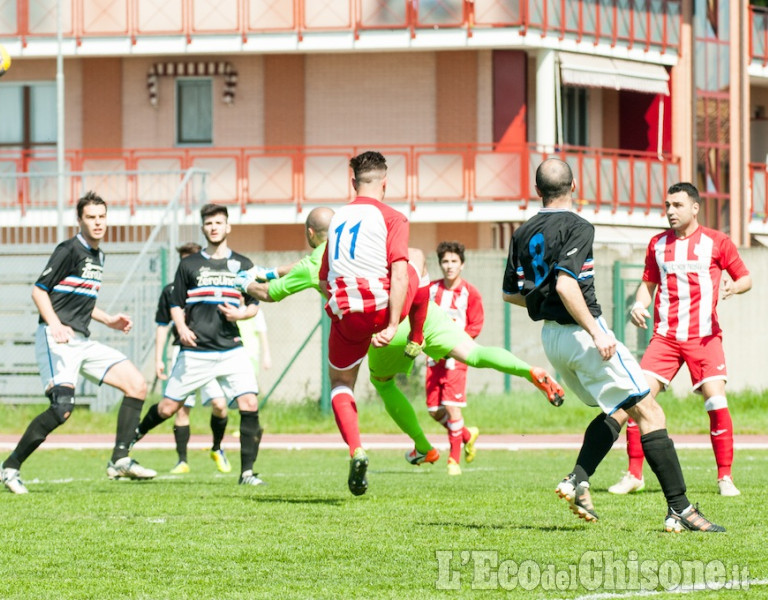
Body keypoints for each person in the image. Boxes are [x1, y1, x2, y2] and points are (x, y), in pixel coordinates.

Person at [236, 207, 565, 480]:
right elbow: (413, 257)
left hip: (386, 329)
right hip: (423, 311)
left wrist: (244, 282)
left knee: (382, 382)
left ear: (310, 234)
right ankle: (529, 370)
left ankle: (423, 446)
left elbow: (272, 293)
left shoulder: (316, 262)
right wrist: (270, 270)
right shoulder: (367, 242)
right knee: (474, 353)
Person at [502, 158, 725, 533]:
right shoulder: (578, 226)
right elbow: (566, 285)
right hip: (582, 333)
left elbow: (512, 294)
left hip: (552, 339)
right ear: (574, 187)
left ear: (537, 190)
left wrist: (549, 307)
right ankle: (680, 510)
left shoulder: (522, 232)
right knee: (651, 413)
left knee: (620, 409)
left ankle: (577, 479)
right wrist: (596, 332)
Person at [1, 191, 156, 494]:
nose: (97, 223)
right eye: (91, 217)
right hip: (55, 338)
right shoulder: (68, 249)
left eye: (102, 217)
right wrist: (56, 324)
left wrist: (109, 319)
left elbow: (79, 301)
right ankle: (10, 467)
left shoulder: (99, 255)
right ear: (80, 220)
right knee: (62, 409)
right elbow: (39, 291)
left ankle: (120, 459)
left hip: (81, 340)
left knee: (137, 385)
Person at [608, 182, 752, 497]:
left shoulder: (717, 241)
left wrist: (732, 288)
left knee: (715, 400)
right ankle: (634, 475)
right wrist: (638, 305)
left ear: (695, 208)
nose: (671, 211)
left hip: (704, 337)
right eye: (668, 205)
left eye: (678, 205)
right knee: (638, 399)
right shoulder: (657, 244)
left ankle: (724, 478)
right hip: (666, 337)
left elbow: (746, 277)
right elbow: (648, 284)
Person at [317, 151, 429, 496]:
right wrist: (394, 324)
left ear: (353, 183)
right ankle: (419, 335)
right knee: (417, 262)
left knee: (340, 383)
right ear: (385, 182)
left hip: (345, 312)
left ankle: (356, 449)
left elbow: (323, 278)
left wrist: (342, 306)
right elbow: (398, 270)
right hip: (382, 309)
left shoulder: (335, 220)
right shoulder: (393, 217)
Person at [133, 203, 265, 487]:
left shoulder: (242, 264)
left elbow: (254, 305)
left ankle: (247, 474)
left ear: (228, 227)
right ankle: (126, 446)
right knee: (168, 408)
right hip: (195, 352)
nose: (214, 227)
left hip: (231, 349)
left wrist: (240, 313)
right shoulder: (189, 265)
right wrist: (181, 328)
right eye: (209, 223)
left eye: (219, 222)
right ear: (204, 228)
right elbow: (175, 304)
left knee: (249, 402)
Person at [154, 242, 231, 475]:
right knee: (181, 408)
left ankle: (217, 448)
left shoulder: (214, 285)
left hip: (211, 351)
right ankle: (182, 461)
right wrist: (158, 359)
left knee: (219, 405)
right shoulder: (170, 291)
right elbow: (161, 325)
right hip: (185, 354)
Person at [426, 241, 484, 476]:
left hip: (457, 357)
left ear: (462, 265)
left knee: (452, 408)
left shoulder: (470, 293)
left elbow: (475, 325)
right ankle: (468, 436)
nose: (449, 266)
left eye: (454, 261)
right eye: (445, 261)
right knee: (433, 410)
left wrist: (456, 345)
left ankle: (453, 460)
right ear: (440, 264)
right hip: (434, 358)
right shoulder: (431, 290)